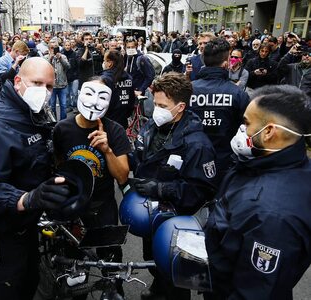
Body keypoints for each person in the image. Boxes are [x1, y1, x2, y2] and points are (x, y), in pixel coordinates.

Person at [0, 57, 72, 300]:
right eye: (37, 83)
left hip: (25, 228)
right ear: (18, 81)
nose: (44, 92)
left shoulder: (30, 112)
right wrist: (25, 198)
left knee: (28, 284)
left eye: (49, 87)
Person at [205, 85, 311, 299]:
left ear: (270, 131)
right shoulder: (266, 163)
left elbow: (255, 292)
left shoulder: (270, 216)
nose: (241, 129)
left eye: (246, 123)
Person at [132, 72, 217, 300]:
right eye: (155, 102)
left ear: (180, 107)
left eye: (162, 105)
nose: (156, 109)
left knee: (175, 272)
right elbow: (139, 155)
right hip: (151, 213)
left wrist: (160, 189)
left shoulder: (197, 144)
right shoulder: (153, 125)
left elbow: (202, 191)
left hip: (177, 220)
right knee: (153, 258)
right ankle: (158, 286)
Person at [53, 77, 131, 299]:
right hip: (73, 210)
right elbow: (57, 167)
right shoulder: (62, 129)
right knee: (75, 267)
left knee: (111, 264)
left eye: (102, 97)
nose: (94, 102)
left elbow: (123, 176)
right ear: (79, 94)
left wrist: (107, 150)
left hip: (103, 206)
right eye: (89, 94)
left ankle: (115, 291)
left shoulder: (114, 131)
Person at [190, 38, 250, 179]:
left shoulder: (188, 90)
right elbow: (248, 127)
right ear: (225, 63)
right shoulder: (237, 94)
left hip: (193, 160)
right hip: (225, 162)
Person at [101, 49, 135, 129]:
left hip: (107, 122)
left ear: (110, 63)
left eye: (105, 61)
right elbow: (131, 101)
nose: (104, 63)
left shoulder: (105, 79)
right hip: (122, 122)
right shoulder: (129, 78)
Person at [48, 41, 70, 120]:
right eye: (52, 48)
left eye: (55, 48)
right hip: (52, 86)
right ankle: (54, 122)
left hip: (62, 85)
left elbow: (68, 66)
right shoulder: (47, 57)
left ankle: (63, 122)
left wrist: (60, 58)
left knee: (63, 105)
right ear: (49, 49)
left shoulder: (63, 57)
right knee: (52, 106)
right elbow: (45, 69)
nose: (54, 50)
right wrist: (50, 58)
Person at [62, 40, 79, 112]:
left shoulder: (75, 54)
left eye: (68, 45)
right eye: (66, 45)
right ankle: (68, 106)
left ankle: (75, 106)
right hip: (65, 77)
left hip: (74, 76)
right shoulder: (61, 54)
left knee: (75, 93)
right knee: (67, 93)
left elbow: (78, 65)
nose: (67, 46)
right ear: (64, 46)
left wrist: (76, 74)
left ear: (71, 46)